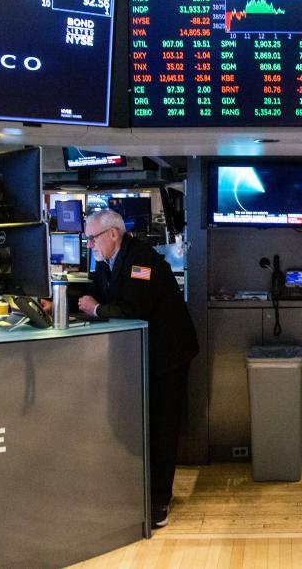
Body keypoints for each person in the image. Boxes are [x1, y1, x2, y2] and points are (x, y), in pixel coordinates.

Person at [77, 209, 198, 528]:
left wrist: (96, 309)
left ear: (113, 234)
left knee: (163, 428)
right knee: (142, 426)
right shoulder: (107, 260)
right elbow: (97, 291)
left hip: (168, 356)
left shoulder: (142, 261)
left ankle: (159, 500)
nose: (89, 245)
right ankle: (141, 489)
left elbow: (134, 309)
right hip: (142, 355)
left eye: (92, 238)